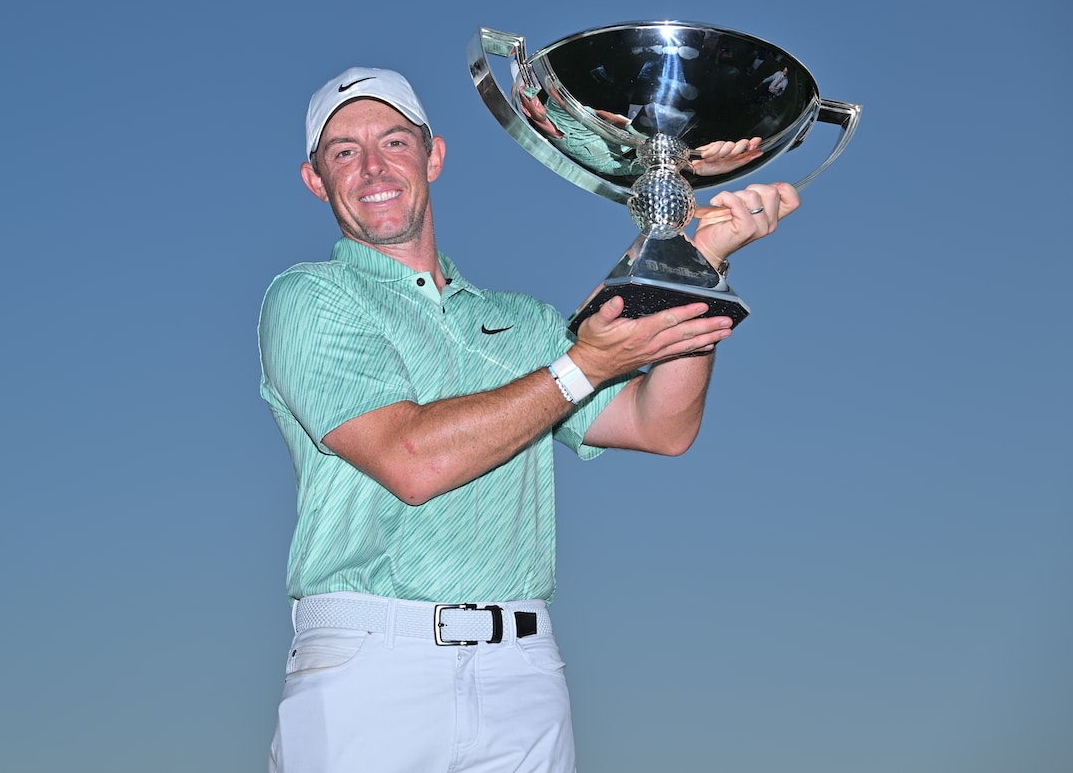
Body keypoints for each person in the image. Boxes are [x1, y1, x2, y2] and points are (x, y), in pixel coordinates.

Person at [257, 66, 799, 773]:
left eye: (393, 142)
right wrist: (583, 367)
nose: (372, 167)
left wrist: (699, 266)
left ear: (434, 156)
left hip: (522, 670)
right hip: (369, 664)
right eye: (344, 152)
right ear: (315, 180)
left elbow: (659, 424)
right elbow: (410, 460)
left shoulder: (525, 323)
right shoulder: (308, 299)